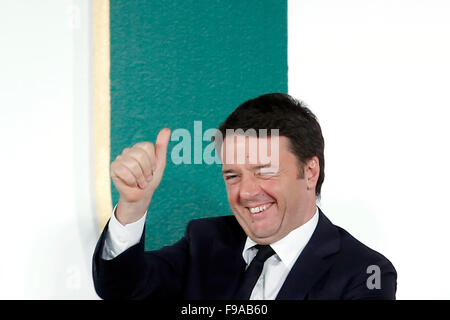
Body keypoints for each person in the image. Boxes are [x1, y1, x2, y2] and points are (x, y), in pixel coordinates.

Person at [92, 93, 397, 299]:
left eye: (264, 171)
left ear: (310, 171)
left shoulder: (366, 271)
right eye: (232, 175)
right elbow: (120, 289)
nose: (247, 192)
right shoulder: (204, 242)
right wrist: (133, 205)